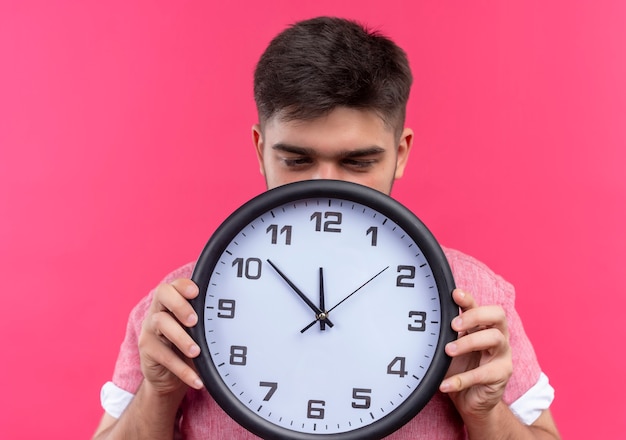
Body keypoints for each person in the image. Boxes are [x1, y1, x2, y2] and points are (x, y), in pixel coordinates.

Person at [93, 16, 560, 440]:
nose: (326, 187)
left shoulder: (476, 296)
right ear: (260, 149)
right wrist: (158, 393)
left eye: (359, 162)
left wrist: (485, 414)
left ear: (401, 152)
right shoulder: (180, 305)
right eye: (296, 159)